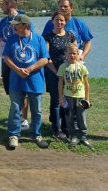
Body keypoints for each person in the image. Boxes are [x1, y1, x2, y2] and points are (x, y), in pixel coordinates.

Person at [3, 14, 49, 150]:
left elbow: (45, 59)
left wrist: (29, 69)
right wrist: (17, 70)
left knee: (37, 110)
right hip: (16, 80)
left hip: (35, 80)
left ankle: (36, 134)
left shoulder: (39, 39)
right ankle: (13, 135)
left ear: (25, 26)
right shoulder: (12, 39)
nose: (14, 26)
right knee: (15, 108)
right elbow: (6, 57)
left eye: (16, 24)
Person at [0, 0, 31, 130]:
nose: (1, 8)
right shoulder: (3, 21)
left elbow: (29, 35)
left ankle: (24, 119)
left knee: (23, 90)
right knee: (11, 88)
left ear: (9, 5)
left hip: (20, 59)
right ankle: (15, 116)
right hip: (6, 59)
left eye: (2, 5)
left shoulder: (23, 18)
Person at [43, 11, 76, 140]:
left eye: (62, 20)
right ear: (53, 21)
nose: (59, 22)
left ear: (65, 22)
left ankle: (66, 127)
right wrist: (56, 72)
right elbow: (46, 56)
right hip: (53, 72)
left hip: (67, 73)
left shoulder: (70, 36)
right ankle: (56, 129)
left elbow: (75, 53)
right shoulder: (48, 36)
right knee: (56, 100)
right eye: (57, 20)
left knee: (66, 100)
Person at [58, 43, 92, 149]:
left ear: (78, 54)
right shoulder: (63, 67)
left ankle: (83, 136)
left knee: (81, 117)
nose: (72, 56)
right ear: (65, 54)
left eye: (74, 53)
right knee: (69, 117)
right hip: (68, 96)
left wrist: (87, 98)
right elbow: (60, 83)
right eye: (70, 53)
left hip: (80, 97)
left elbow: (86, 84)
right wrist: (60, 97)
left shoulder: (82, 67)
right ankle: (73, 135)